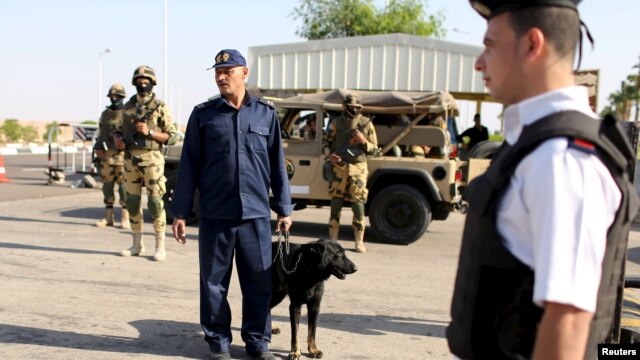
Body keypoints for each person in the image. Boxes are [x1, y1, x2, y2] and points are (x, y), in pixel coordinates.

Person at [447, 1, 638, 359]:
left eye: (490, 44)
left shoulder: (562, 160)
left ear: (532, 44)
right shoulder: (537, 147)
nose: (479, 62)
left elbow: (567, 324)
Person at [170, 49, 293, 360]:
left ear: (244, 73)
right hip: (216, 215)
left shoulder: (266, 113)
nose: (221, 76)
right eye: (217, 71)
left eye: (228, 70)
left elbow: (277, 164)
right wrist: (181, 212)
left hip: (255, 215)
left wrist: (284, 208)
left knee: (259, 283)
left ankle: (257, 342)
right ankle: (219, 343)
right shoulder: (203, 114)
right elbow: (189, 166)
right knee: (213, 284)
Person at [114, 65, 178, 262]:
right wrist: (117, 139)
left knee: (156, 203)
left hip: (152, 160)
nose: (143, 82)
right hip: (130, 159)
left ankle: (160, 246)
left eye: (146, 79)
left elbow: (173, 137)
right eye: (139, 79)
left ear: (152, 82)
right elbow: (117, 130)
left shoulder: (160, 107)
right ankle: (137, 244)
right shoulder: (126, 108)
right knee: (131, 203)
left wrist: (149, 132)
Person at [323, 93, 378, 253]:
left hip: (358, 168)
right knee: (336, 202)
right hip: (339, 167)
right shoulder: (336, 123)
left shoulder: (366, 124)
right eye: (351, 107)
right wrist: (329, 155)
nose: (354, 110)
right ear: (345, 107)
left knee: (358, 203)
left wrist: (363, 141)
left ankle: (359, 241)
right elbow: (327, 142)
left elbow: (375, 150)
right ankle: (333, 239)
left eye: (357, 107)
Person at [94, 83, 129, 229]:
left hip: (122, 156)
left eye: (117, 96)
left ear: (122, 97)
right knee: (107, 186)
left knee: (123, 187)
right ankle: (109, 217)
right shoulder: (105, 114)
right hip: (106, 155)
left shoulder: (127, 113)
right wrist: (97, 146)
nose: (114, 98)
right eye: (112, 96)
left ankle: (125, 218)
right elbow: (101, 133)